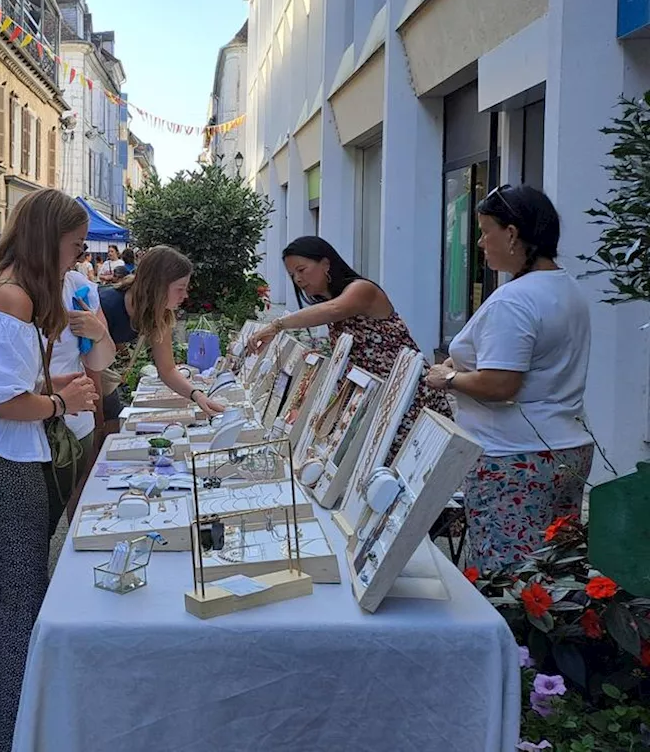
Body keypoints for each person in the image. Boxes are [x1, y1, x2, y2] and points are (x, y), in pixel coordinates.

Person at [0, 189, 98, 752]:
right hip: (6, 454)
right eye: (75, 246)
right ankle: (10, 725)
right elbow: (7, 400)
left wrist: (51, 393)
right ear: (48, 238)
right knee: (21, 589)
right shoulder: (13, 297)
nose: (77, 258)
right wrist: (61, 403)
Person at [422, 185, 595, 572]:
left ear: (512, 233)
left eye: (486, 231)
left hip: (513, 458)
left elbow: (500, 385)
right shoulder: (566, 288)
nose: (481, 242)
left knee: (510, 581)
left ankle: (511, 637)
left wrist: (446, 378)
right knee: (556, 576)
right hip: (564, 447)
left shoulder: (514, 300)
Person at [247, 235, 452, 444]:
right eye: (292, 275)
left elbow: (333, 310)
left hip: (407, 394)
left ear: (326, 263)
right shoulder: (332, 301)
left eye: (301, 270)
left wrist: (276, 325)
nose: (298, 279)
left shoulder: (361, 289)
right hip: (373, 397)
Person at [96, 246, 233, 442]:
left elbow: (167, 369)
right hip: (77, 375)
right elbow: (87, 365)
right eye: (180, 288)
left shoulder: (159, 312)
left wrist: (197, 396)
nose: (185, 296)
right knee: (100, 432)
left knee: (110, 425)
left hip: (100, 376)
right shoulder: (106, 305)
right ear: (158, 286)